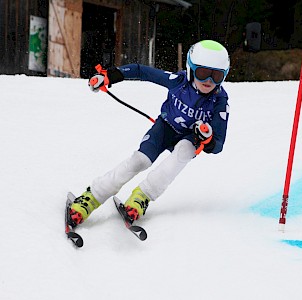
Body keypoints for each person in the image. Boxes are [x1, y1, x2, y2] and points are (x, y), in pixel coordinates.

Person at [68, 40, 230, 226]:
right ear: (191, 69)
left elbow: (218, 144)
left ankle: (142, 197)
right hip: (165, 128)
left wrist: (207, 139)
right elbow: (141, 71)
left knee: (185, 150)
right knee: (140, 160)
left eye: (216, 76)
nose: (209, 81)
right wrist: (109, 76)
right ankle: (92, 197)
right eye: (203, 73)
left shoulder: (220, 102)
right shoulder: (179, 82)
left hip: (190, 137)